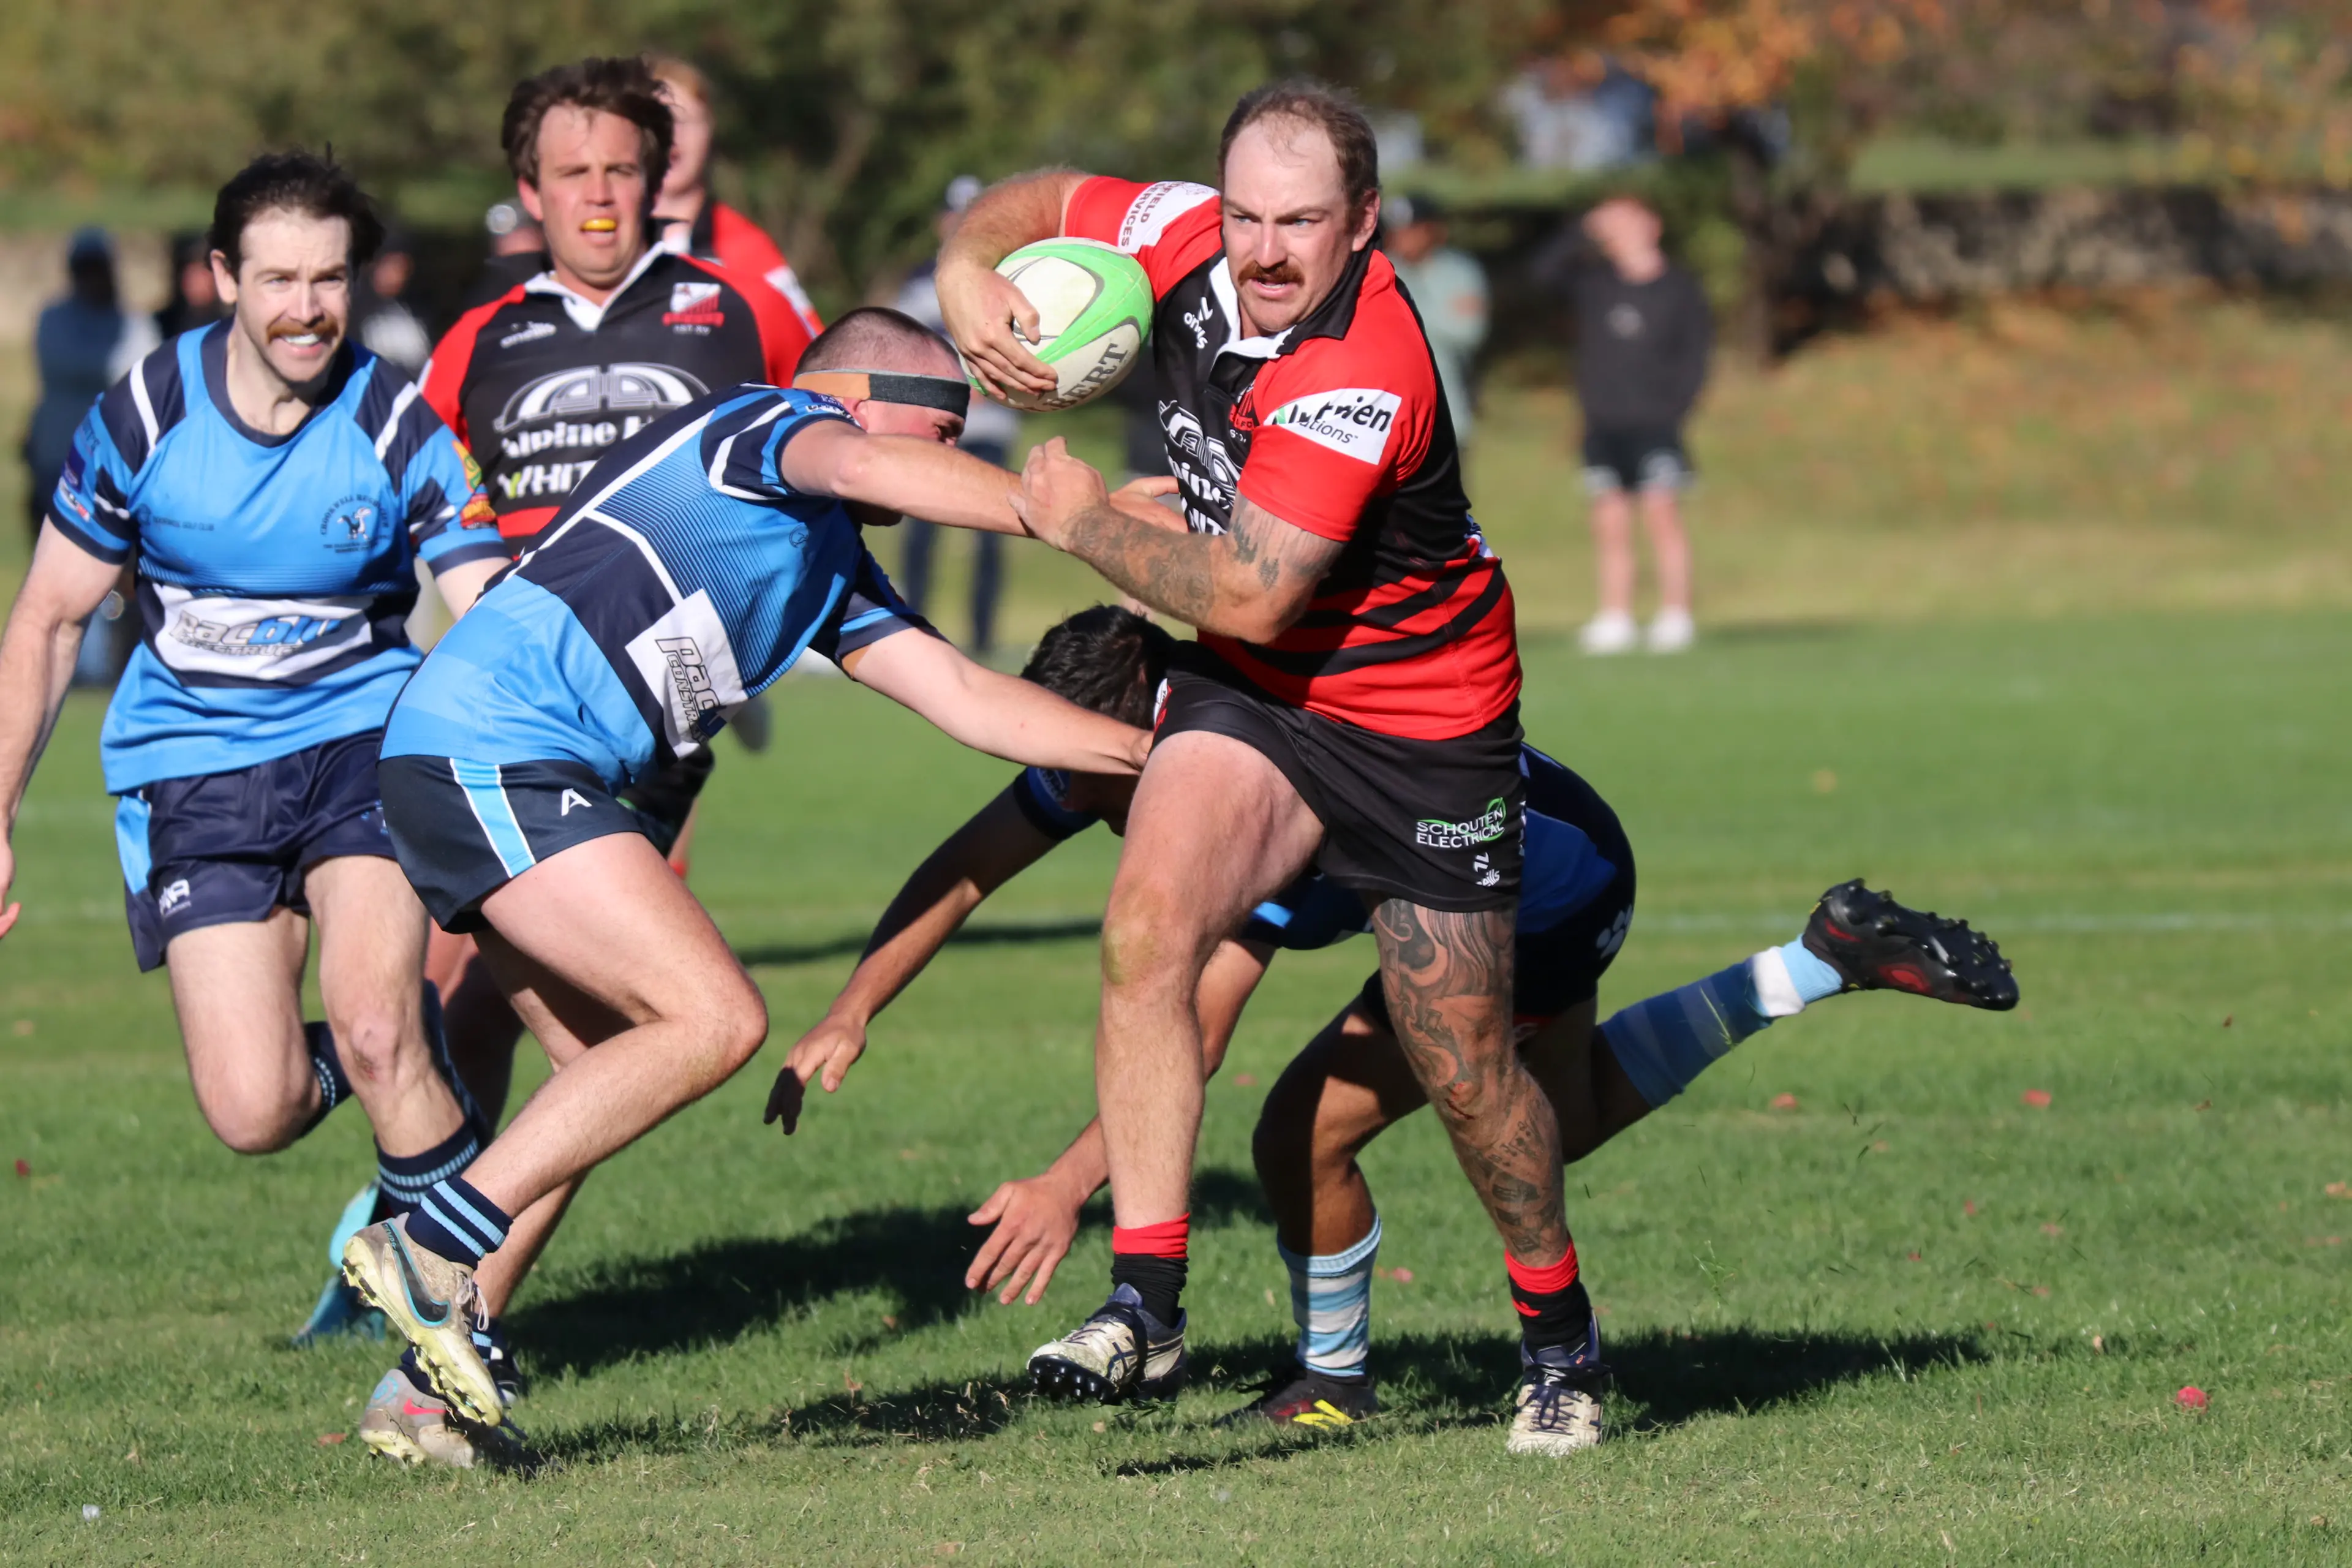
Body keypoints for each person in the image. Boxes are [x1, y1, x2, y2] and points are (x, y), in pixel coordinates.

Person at [778, 607, 2019, 1444]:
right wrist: (853, 1001)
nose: (1096, 810)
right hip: (1546, 846)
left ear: (1149, 736)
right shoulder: (1133, 738)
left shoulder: (1248, 792)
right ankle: (1821, 956)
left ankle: (1347, 1381)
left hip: (1544, 886)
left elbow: (1192, 1028)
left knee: (1314, 1133)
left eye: (1102, 789)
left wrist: (1064, 1181)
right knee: (1555, 1114)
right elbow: (975, 855)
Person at [336, 307, 1156, 1460]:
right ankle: (434, 1247)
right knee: (718, 1017)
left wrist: (1153, 758)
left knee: (596, 1067)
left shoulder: (830, 566)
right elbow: (867, 461)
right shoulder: (775, 425)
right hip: (490, 748)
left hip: (504, 762)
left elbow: (968, 701)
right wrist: (1054, 511)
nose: (949, 453)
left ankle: (424, 1395)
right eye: (944, 427)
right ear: (862, 394)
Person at [939, 81, 1585, 1453]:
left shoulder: (1369, 365)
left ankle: (1559, 1336)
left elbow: (1243, 597)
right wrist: (962, 271)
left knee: (1465, 1067)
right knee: (1146, 929)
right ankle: (1149, 1300)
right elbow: (1043, 195)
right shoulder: (1181, 237)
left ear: (1364, 223)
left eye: (1302, 222)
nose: (1268, 249)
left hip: (1423, 723)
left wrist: (1074, 520)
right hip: (1265, 703)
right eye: (1247, 215)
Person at [298, 50, 825, 1374]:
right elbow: (404, 504)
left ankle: (435, 1284)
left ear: (662, 182)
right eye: (571, 173)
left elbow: (842, 449)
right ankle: (435, 1279)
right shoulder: (481, 337)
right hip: (498, 710)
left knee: (596, 1022)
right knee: (496, 1007)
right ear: (526, 189)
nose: (598, 196)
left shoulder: (742, 312)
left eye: (622, 172)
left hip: (643, 735)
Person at [0, 154, 508, 1427]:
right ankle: (416, 1077)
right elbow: (51, 619)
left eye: (326, 277)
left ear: (357, 279)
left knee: (379, 1020)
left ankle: (450, 1347)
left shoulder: (394, 420)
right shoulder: (142, 415)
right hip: (194, 768)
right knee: (254, 1103)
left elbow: (484, 609)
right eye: (276, 278)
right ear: (223, 279)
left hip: (363, 746)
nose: (303, 307)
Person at [1537, 193, 1712, 656]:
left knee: (1662, 517)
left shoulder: (1679, 287)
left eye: (1628, 220)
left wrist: (1675, 407)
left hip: (1655, 423)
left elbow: (1696, 356)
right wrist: (1583, 230)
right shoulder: (1594, 283)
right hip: (1603, 423)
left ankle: (1676, 614)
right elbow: (1542, 273)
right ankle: (1616, 615)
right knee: (1610, 523)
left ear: (1652, 224)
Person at [892, 175, 1019, 655]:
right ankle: (913, 629)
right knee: (921, 533)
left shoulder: (1015, 277)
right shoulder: (920, 282)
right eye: (956, 216)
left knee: (992, 535)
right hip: (934, 424)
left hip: (991, 427)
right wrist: (953, 388)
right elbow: (908, 349)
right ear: (941, 223)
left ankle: (983, 638)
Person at [649, 55, 825, 339]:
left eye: (686, 120)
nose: (673, 135)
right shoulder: (604, 242)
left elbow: (811, 345)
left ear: (710, 130)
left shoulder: (744, 247)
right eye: (659, 118)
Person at [23, 230, 159, 552]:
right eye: (85, 270)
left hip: (112, 462)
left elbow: (147, 374)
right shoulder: (53, 317)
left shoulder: (133, 323)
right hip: (56, 452)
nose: (92, 278)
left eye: (97, 269)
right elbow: (60, 362)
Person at [1382, 195, 1488, 448]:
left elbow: (1468, 331)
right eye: (1396, 231)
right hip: (1386, 414)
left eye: (1412, 230)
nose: (1402, 239)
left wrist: (1405, 316)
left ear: (1433, 229)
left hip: (1448, 408)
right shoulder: (1381, 270)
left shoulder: (1459, 272)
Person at [354, 227, 431, 375]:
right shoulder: (356, 311)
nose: (398, 276)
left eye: (403, 268)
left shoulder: (414, 310)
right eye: (392, 266)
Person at [154, 231, 228, 341]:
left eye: (202, 271)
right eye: (190, 272)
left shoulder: (233, 327)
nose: (195, 280)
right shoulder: (157, 325)